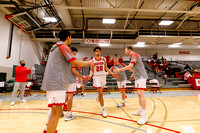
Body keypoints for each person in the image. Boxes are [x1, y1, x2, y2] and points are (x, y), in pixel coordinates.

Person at [42, 30, 94, 133]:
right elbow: (76, 63)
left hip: (52, 82)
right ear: (68, 37)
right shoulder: (63, 47)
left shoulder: (54, 47)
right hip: (56, 82)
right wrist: (89, 62)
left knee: (54, 110)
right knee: (56, 112)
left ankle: (47, 129)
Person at [114, 46, 148, 125]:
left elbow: (130, 66)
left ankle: (144, 115)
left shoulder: (134, 54)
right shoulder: (132, 56)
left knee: (140, 94)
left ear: (129, 50)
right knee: (139, 94)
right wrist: (133, 74)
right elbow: (136, 67)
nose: (125, 52)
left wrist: (119, 70)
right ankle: (140, 110)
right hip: (138, 76)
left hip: (141, 76)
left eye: (125, 51)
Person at [87, 46, 118, 118]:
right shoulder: (92, 60)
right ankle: (103, 109)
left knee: (101, 92)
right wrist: (89, 75)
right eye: (97, 51)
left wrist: (112, 73)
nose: (98, 52)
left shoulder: (104, 59)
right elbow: (91, 70)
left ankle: (99, 97)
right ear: (94, 52)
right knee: (101, 93)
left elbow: (106, 68)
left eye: (99, 51)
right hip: (96, 77)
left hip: (103, 76)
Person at [63, 47, 87, 121]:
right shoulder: (72, 59)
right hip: (71, 79)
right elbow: (73, 70)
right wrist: (82, 76)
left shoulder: (64, 58)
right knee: (70, 95)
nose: (75, 54)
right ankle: (68, 114)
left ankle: (61, 111)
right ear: (72, 51)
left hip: (64, 79)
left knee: (67, 95)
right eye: (75, 52)